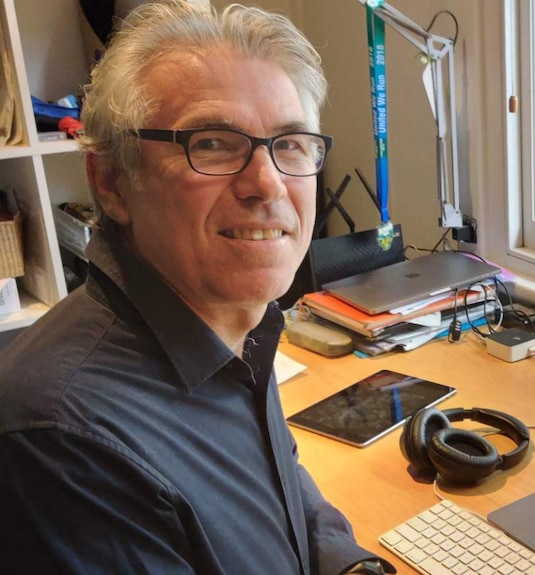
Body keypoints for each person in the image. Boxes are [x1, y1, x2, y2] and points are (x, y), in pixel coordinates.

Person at [0, 2, 394, 574]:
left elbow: (278, 477)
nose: (267, 183)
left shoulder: (237, 323)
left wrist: (351, 566)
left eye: (290, 144)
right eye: (212, 143)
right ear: (111, 182)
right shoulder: (64, 442)